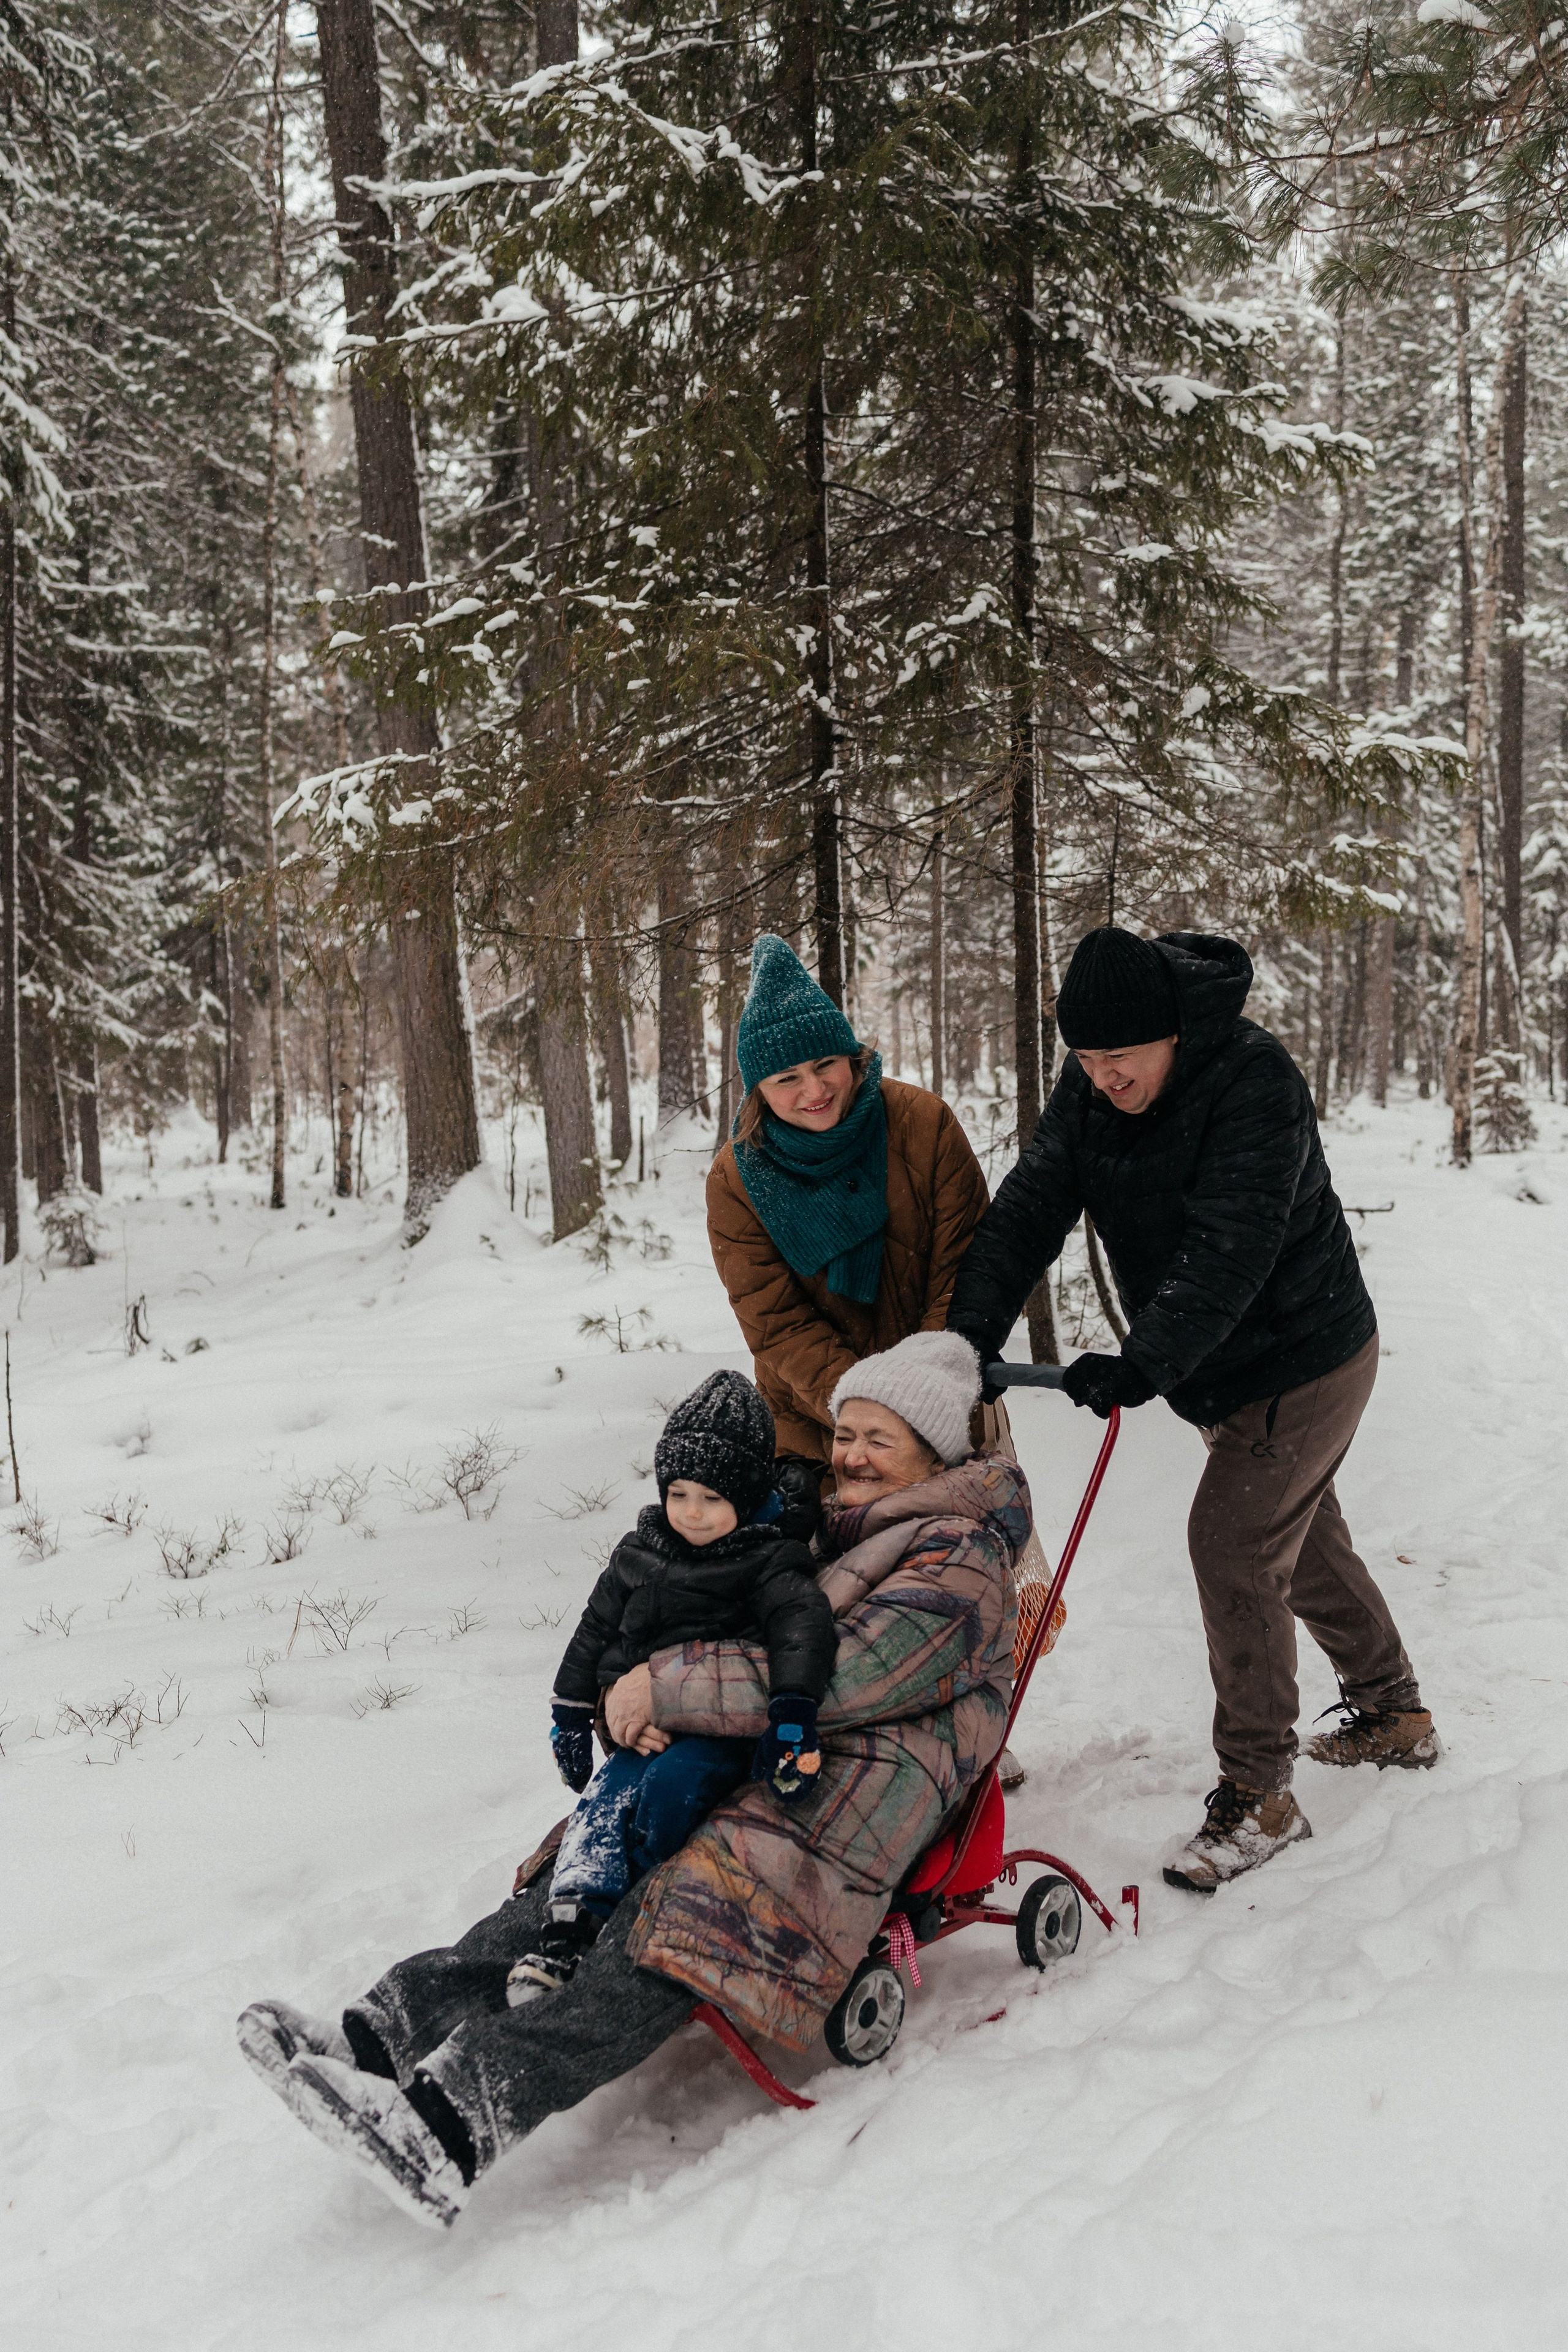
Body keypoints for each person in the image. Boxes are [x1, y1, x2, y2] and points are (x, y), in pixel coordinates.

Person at [235, 1329, 1024, 2228]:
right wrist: (630, 1685)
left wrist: (669, 1685)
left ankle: (451, 2128)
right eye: (844, 1433)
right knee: (584, 1878)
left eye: (877, 1439)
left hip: (851, 1796)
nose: (848, 1453)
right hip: (759, 1759)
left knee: (679, 1923)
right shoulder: (832, 1528)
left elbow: (851, 1675)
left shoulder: (960, 1556)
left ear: (936, 1450)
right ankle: (374, 2038)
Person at [945, 925, 1439, 1897]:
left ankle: (1261, 1793)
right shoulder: (1092, 1089)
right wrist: (965, 1337)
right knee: (1299, 1535)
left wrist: (1140, 1364)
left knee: (1235, 1539)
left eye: (1120, 1060)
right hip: (1221, 1366)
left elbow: (1231, 1251)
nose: (1103, 1079)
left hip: (1307, 1354)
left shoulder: (1255, 1080)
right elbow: (1031, 1207)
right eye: (1084, 1061)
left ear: (1172, 1033)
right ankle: (1393, 1715)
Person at [706, 930, 1036, 1785]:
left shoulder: (921, 1123)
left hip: (948, 1398)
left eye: (827, 1065)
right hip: (819, 1424)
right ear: (759, 1087)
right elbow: (773, 1325)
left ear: (852, 1055)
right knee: (840, 1595)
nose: (814, 1090)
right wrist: (868, 1415)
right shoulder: (738, 1182)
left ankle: (970, 1736)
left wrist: (927, 1399)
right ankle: (843, 1743)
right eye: (787, 1078)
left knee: (968, 1586)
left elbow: (964, 1264)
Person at [513, 1370, 837, 1997]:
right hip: (643, 1726)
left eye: (712, 1499)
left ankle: (649, 1897)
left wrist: (792, 1715)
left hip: (716, 1734)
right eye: (679, 1493)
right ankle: (567, 1932)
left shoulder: (769, 1560)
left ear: (745, 1499)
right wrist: (571, 1713)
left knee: (669, 1791)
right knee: (604, 1800)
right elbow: (592, 1631)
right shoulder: (639, 1550)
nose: (691, 1512)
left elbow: (804, 1631)